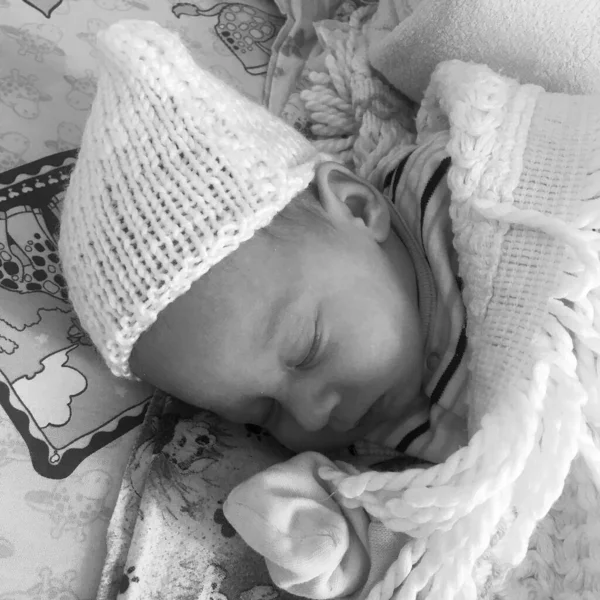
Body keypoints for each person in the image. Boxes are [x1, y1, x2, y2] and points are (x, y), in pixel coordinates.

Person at [59, 20, 467, 599]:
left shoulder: (459, 201)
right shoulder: (377, 454)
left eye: (307, 349)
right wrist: (325, 542)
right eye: (261, 416)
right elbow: (439, 541)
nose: (312, 414)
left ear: (357, 207)